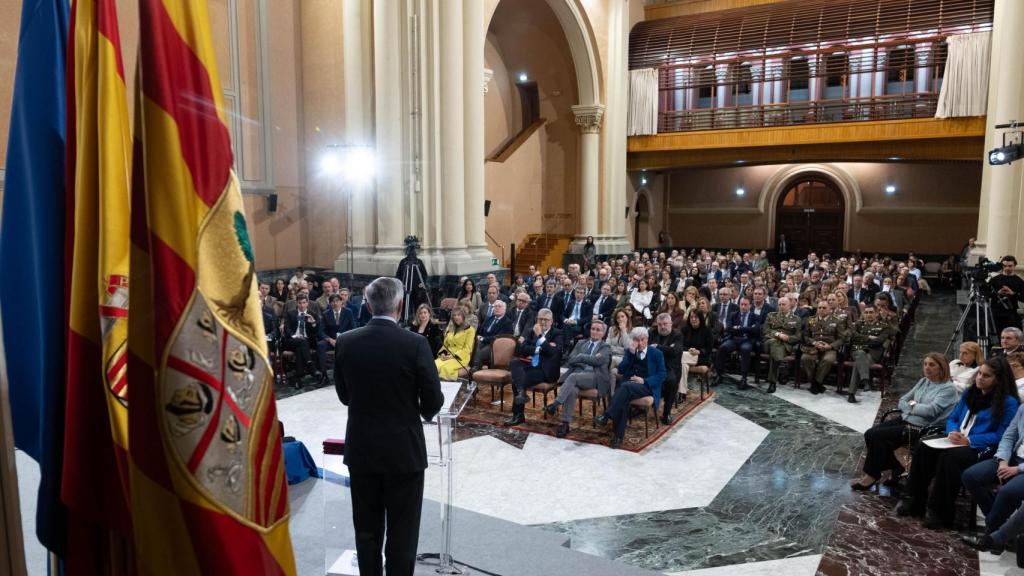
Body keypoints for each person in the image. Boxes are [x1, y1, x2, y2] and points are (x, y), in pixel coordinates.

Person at [334, 276, 444, 576]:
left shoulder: (346, 342)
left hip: (363, 450)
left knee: (367, 532)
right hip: (404, 453)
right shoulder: (416, 344)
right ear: (400, 305)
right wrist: (418, 412)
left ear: (368, 305)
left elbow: (345, 396)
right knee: (403, 535)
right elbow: (434, 399)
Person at [896, 358, 1019, 528]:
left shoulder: (1009, 402)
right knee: (924, 446)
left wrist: (969, 440)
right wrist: (952, 432)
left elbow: (1002, 434)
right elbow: (953, 418)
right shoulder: (971, 393)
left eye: (986, 376)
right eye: (980, 373)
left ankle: (940, 511)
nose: (980, 378)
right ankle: (913, 500)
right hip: (957, 438)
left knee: (950, 457)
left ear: (998, 379)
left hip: (982, 447)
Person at [851, 353, 958, 491]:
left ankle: (872, 475)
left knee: (877, 436)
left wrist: (911, 406)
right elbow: (902, 400)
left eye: (932, 365)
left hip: (923, 427)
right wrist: (913, 407)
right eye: (925, 364)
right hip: (907, 419)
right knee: (870, 433)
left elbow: (931, 411)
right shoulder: (924, 381)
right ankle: (898, 466)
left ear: (941, 367)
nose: (927, 368)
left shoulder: (948, 388)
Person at [962, 362, 1024, 554]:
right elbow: (1009, 435)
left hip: (1022, 467)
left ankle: (990, 536)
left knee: (1008, 492)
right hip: (1012, 457)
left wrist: (1017, 469)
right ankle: (1003, 527)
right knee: (971, 476)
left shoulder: (1011, 402)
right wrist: (1003, 460)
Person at [594, 328, 666, 449]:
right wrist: (631, 354)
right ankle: (618, 437)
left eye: (643, 340)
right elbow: (621, 369)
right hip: (629, 386)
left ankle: (606, 416)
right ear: (633, 340)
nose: (640, 343)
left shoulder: (656, 354)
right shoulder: (630, 351)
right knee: (624, 397)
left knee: (624, 387)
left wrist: (644, 380)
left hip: (647, 387)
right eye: (637, 340)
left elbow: (662, 374)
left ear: (647, 339)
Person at [545, 322, 612, 437]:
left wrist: (581, 357)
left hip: (595, 377)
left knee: (573, 377)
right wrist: (587, 360)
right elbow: (570, 359)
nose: (595, 331)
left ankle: (555, 404)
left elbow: (597, 361)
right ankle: (565, 424)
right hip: (578, 375)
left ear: (603, 333)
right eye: (593, 329)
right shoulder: (581, 343)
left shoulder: (605, 347)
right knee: (572, 389)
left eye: (598, 330)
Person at [503, 309, 562, 427]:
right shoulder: (530, 331)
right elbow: (521, 350)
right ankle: (521, 397)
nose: (543, 322)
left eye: (546, 320)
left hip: (546, 370)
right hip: (531, 364)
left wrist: (540, 336)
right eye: (540, 319)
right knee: (514, 363)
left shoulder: (558, 333)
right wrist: (539, 349)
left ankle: (518, 414)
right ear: (537, 319)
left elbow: (551, 352)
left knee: (517, 380)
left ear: (552, 321)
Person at [845, 305, 895, 403]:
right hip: (857, 350)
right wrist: (868, 337)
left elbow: (880, 341)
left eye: (871, 312)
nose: (868, 315)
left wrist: (862, 340)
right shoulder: (858, 324)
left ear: (876, 313)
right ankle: (865, 381)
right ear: (863, 314)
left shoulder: (884, 326)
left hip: (873, 353)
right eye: (866, 312)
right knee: (860, 354)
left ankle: (852, 393)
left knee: (858, 363)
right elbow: (853, 337)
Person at [714, 297, 761, 390]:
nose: (743, 307)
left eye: (745, 305)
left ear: (750, 306)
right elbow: (729, 328)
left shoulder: (755, 317)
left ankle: (744, 378)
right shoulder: (733, 315)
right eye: (741, 304)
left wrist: (739, 328)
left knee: (745, 349)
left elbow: (755, 330)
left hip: (747, 340)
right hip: (734, 339)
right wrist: (746, 329)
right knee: (723, 347)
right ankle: (719, 374)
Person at [800, 300, 844, 395]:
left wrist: (830, 346)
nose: (821, 310)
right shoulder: (811, 319)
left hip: (829, 348)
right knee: (805, 358)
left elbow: (841, 339)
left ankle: (816, 383)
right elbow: (806, 336)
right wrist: (814, 342)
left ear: (830, 310)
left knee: (828, 360)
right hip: (813, 347)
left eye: (824, 308)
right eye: (819, 308)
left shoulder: (837, 321)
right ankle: (815, 382)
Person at [761, 296, 802, 393]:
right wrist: (778, 334)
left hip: (786, 345)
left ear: (789, 306)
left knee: (775, 351)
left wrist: (788, 338)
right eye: (779, 304)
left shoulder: (796, 319)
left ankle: (772, 382)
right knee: (775, 343)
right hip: (769, 342)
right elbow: (765, 330)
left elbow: (798, 336)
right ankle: (780, 371)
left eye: (784, 304)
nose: (781, 306)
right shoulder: (771, 315)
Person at [650, 313, 684, 424]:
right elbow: (647, 349)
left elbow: (675, 351)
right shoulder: (652, 333)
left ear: (671, 324)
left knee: (671, 380)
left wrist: (657, 347)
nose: (663, 327)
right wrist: (667, 349)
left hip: (670, 367)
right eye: (660, 324)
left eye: (665, 324)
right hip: (653, 366)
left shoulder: (677, 335)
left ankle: (666, 413)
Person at [318, 294, 358, 379]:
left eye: (337, 301)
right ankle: (324, 374)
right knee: (321, 345)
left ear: (341, 302)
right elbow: (321, 331)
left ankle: (349, 372)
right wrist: (329, 339)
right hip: (331, 340)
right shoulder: (326, 314)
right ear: (330, 303)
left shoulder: (348, 312)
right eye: (333, 301)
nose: (335, 303)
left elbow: (353, 328)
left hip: (344, 339)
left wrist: (344, 338)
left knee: (353, 345)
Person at [283, 295, 320, 383]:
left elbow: (316, 331)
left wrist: (313, 323)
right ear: (296, 303)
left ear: (307, 303)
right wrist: (295, 336)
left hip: (307, 341)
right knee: (301, 342)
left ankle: (299, 374)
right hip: (292, 340)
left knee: (300, 347)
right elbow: (287, 328)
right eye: (300, 303)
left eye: (304, 303)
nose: (302, 305)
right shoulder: (290, 313)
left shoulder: (313, 314)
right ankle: (311, 366)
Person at [435, 308, 476, 381]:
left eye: (458, 315)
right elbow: (445, 345)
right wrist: (443, 354)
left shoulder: (470, 330)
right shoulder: (449, 329)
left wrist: (452, 356)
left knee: (445, 368)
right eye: (454, 315)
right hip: (447, 355)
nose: (456, 317)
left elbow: (468, 348)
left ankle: (449, 387)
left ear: (463, 317)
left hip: (461, 356)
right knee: (433, 365)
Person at [471, 299, 512, 369]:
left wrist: (483, 339)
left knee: (481, 351)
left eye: (499, 306)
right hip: (483, 341)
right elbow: (480, 329)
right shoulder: (490, 318)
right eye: (495, 306)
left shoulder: (507, 322)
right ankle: (472, 366)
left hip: (494, 344)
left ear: (504, 309)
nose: (497, 308)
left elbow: (499, 337)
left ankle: (475, 368)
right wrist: (477, 336)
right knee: (474, 344)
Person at [989, 256, 1024, 333]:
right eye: (1005, 266)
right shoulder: (994, 280)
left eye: (1010, 266)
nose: (1007, 268)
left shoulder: (1019, 281)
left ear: (1015, 266)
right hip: (995, 313)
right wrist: (997, 293)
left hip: (1012, 313)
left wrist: (1013, 293)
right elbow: (986, 295)